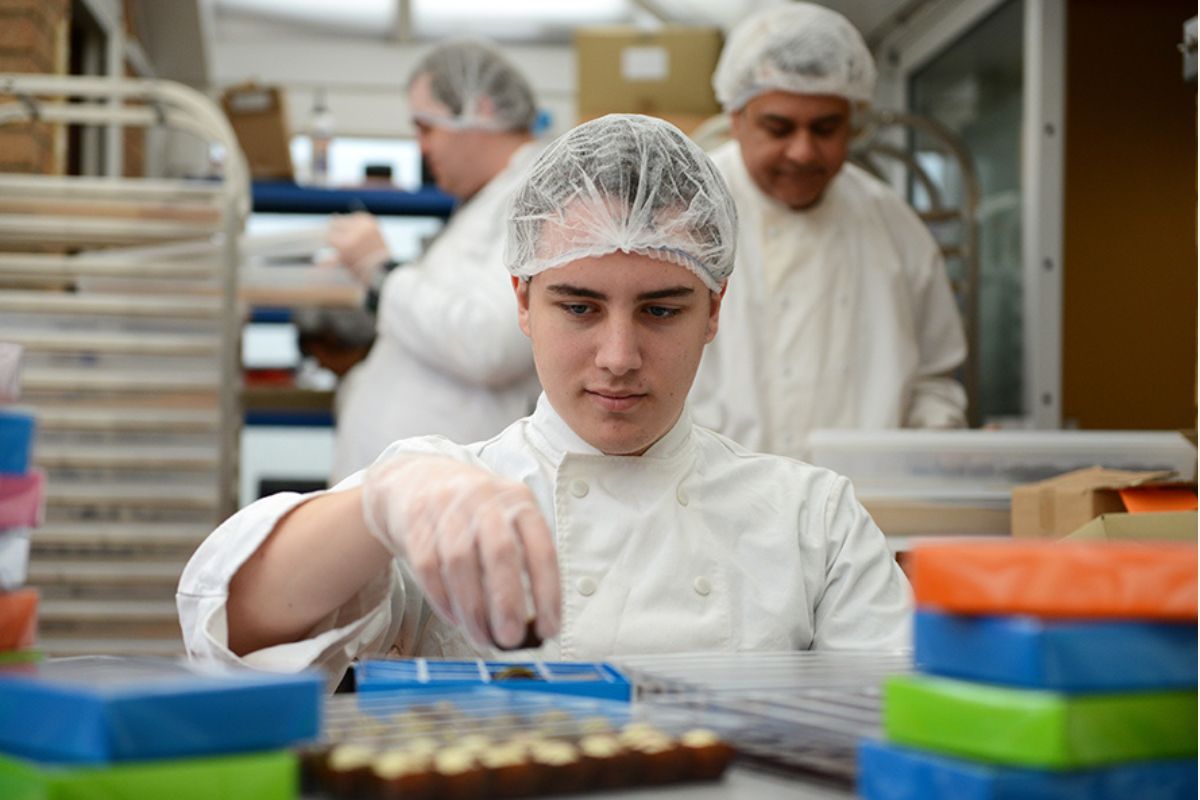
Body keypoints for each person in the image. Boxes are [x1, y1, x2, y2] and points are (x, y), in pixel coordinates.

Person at [178, 115, 912, 680]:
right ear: (523, 302)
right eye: (580, 307)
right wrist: (380, 505)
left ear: (714, 310)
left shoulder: (811, 521)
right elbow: (231, 634)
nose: (619, 358)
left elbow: (899, 719)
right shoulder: (452, 505)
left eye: (661, 310)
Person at [690, 3, 968, 458]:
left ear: (853, 124)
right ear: (736, 120)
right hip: (708, 502)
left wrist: (928, 457)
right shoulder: (686, 211)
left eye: (825, 128)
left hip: (864, 510)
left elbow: (934, 382)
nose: (803, 151)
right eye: (779, 128)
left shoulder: (892, 223)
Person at [324, 38, 543, 482]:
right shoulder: (485, 202)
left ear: (479, 108)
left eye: (427, 128)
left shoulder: (534, 198)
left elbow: (491, 343)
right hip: (404, 493)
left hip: (441, 496)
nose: (421, 148)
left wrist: (382, 274)